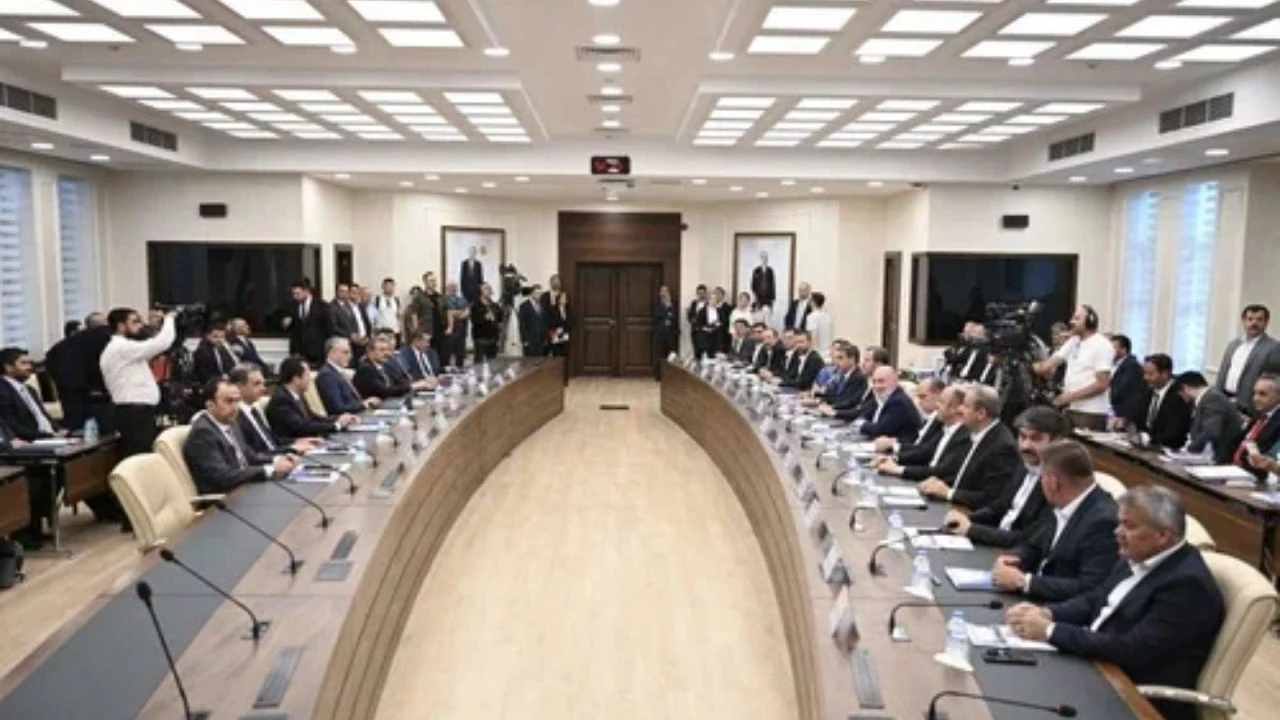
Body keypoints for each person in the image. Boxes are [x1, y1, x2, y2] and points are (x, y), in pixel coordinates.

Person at [1005, 485, 1224, 720]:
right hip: (1097, 664)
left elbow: (1132, 649)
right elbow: (1096, 599)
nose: (1117, 532)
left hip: (1131, 695)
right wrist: (1048, 613)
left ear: (1162, 535)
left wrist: (1050, 630)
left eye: (1129, 526)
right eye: (1120, 523)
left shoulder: (1187, 585)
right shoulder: (1141, 554)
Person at [990, 440, 1119, 601]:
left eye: (1041, 477)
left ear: (1052, 482)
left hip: (1056, 607)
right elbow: (1034, 545)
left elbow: (1089, 588)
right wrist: (1013, 560)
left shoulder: (1104, 522)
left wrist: (1025, 582)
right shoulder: (1063, 500)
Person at [945, 406, 1068, 548]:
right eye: (1022, 437)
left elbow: (1030, 538)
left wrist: (972, 529)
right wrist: (967, 519)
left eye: (1036, 438)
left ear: (1057, 441)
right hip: (996, 540)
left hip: (1011, 551)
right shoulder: (1023, 465)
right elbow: (1000, 506)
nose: (1026, 445)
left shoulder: (1058, 483)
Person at [183, 378, 296, 495]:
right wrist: (268, 470)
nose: (235, 407)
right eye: (229, 401)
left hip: (247, 488)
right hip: (228, 497)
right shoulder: (203, 433)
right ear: (210, 405)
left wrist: (278, 459)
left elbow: (250, 457)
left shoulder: (231, 423)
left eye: (237, 401)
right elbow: (223, 477)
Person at [917, 384, 1019, 509]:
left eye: (965, 405)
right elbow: (966, 477)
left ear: (981, 414)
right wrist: (939, 484)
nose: (959, 409)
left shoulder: (1002, 447)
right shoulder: (976, 433)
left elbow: (991, 497)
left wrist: (949, 493)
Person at [101, 307, 176, 462]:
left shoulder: (125, 348)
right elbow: (161, 343)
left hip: (138, 411)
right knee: (138, 458)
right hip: (134, 412)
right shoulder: (121, 347)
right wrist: (170, 318)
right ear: (121, 326)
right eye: (135, 322)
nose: (140, 326)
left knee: (143, 456)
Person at [1035, 305, 1112, 431]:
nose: (1072, 322)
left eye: (1077, 319)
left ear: (1090, 321)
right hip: (1071, 409)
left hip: (1091, 413)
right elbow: (1048, 365)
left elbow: (1102, 384)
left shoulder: (1101, 345)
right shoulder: (1074, 341)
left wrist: (1070, 397)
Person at [873, 384, 970, 482]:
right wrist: (894, 458)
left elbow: (941, 470)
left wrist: (899, 470)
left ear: (955, 409)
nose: (937, 405)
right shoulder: (945, 429)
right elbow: (924, 451)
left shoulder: (964, 436)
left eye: (941, 402)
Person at [228, 364, 320, 456]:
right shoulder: (234, 417)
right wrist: (290, 449)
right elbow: (254, 454)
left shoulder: (253, 411)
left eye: (263, 384)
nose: (263, 388)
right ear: (239, 387)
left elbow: (271, 441)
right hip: (270, 460)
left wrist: (297, 441)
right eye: (257, 384)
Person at [266, 357, 358, 442]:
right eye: (307, 375)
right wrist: (335, 426)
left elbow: (313, 417)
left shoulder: (297, 395)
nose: (310, 379)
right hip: (297, 444)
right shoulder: (281, 400)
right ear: (296, 379)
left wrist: (339, 419)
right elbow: (301, 426)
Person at [44, 312, 111, 431]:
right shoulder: (104, 338)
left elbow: (50, 361)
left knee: (76, 425)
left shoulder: (66, 343)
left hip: (68, 389)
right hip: (94, 391)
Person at [1215, 304, 1280, 414]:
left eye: (1259, 320)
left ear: (1266, 322)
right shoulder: (1233, 344)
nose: (1254, 323)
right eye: (1250, 319)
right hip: (1224, 400)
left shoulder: (1274, 348)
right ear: (1244, 321)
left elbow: (1273, 381)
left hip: (1249, 406)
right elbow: (1223, 372)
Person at [1178, 371, 1242, 462]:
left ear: (1185, 388)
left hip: (1220, 457)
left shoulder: (1212, 398)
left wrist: (1188, 450)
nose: (1181, 397)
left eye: (1180, 393)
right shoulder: (1208, 397)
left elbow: (1211, 432)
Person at [0, 347, 61, 441]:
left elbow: (44, 417)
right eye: (24, 363)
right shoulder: (2, 390)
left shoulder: (30, 389)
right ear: (8, 367)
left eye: (29, 363)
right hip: (31, 441)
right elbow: (13, 427)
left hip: (51, 438)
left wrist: (60, 431)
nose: (29, 367)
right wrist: (50, 436)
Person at [874, 377, 945, 455]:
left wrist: (894, 447)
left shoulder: (941, 421)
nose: (919, 402)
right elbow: (915, 441)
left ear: (939, 394)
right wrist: (893, 441)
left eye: (923, 397)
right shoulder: (930, 418)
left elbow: (925, 450)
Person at [1231, 373, 1280, 478]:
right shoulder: (1260, 414)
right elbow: (1239, 442)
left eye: (1262, 394)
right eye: (1255, 393)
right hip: (1234, 470)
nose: (1255, 398)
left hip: (1256, 477)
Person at [856, 366, 921, 443]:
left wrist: (861, 424)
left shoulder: (898, 402)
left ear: (894, 381)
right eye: (874, 382)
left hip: (898, 447)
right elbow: (864, 413)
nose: (876, 386)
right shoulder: (883, 398)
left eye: (881, 381)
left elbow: (882, 430)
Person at [1140, 354, 1192, 450]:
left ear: (1165, 374)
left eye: (1150, 374)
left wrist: (1150, 439)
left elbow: (1174, 433)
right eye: (1145, 373)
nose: (1145, 378)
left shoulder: (1179, 396)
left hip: (1168, 448)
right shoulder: (1147, 390)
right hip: (1146, 446)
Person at [315, 337, 379, 414]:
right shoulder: (327, 375)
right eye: (345, 352)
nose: (350, 356)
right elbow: (337, 408)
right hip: (351, 417)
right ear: (332, 353)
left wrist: (366, 402)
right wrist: (364, 404)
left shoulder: (338, 372)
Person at [355, 337, 431, 399]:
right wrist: (413, 386)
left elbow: (399, 382)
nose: (387, 353)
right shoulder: (366, 369)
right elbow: (386, 391)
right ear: (370, 352)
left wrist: (421, 383)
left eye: (388, 350)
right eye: (382, 350)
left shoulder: (385, 365)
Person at [283, 280, 332, 365]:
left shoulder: (322, 306)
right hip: (298, 352)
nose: (295, 296)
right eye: (293, 294)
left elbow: (329, 328)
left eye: (298, 293)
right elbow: (290, 327)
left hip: (317, 352)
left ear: (306, 291)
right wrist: (286, 323)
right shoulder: (292, 306)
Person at [1108, 334, 1147, 430]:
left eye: (1112, 348)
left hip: (1125, 414)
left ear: (1124, 349)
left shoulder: (1132, 365)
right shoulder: (1115, 364)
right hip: (1115, 411)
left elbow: (1122, 389)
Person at [332, 283, 372, 363]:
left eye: (358, 292)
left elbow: (367, 323)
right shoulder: (344, 308)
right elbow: (340, 326)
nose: (356, 294)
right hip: (352, 343)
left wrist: (368, 336)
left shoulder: (360, 306)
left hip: (364, 342)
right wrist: (352, 336)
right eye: (353, 292)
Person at [409, 272, 446, 355]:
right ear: (425, 282)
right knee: (427, 354)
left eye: (435, 280)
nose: (434, 283)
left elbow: (445, 311)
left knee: (441, 355)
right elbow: (414, 314)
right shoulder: (419, 297)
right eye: (431, 281)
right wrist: (417, 331)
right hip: (426, 331)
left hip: (439, 331)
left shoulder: (440, 297)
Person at [470, 283, 504, 361]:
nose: (489, 290)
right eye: (486, 288)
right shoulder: (475, 305)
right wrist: (485, 317)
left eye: (490, 288)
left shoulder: (494, 305)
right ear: (481, 291)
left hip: (493, 338)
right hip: (481, 338)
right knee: (479, 362)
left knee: (493, 362)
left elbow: (500, 320)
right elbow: (475, 321)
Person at [443, 281, 470, 368]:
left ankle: (460, 369)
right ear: (447, 288)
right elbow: (448, 312)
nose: (453, 288)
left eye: (455, 286)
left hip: (461, 330)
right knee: (447, 355)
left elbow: (467, 312)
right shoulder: (443, 299)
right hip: (448, 331)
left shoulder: (462, 299)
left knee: (460, 354)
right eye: (451, 286)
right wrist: (459, 312)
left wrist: (455, 314)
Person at [653, 285, 679, 367]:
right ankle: (659, 371)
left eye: (665, 291)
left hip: (671, 333)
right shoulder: (657, 304)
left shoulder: (673, 304)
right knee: (659, 354)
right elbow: (658, 315)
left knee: (671, 354)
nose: (663, 293)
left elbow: (674, 316)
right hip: (660, 332)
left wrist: (669, 307)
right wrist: (667, 313)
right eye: (662, 291)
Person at [518, 287, 547, 357]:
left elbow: (544, 321)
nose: (539, 295)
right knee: (530, 360)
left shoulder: (543, 305)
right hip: (530, 339)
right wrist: (525, 339)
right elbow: (522, 324)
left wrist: (545, 337)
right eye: (537, 293)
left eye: (540, 293)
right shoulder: (524, 306)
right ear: (532, 294)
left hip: (541, 339)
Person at [685, 284, 709, 355]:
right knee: (696, 350)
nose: (701, 295)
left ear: (705, 293)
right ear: (697, 294)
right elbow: (690, 315)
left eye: (703, 293)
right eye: (699, 293)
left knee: (704, 351)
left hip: (704, 331)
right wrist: (691, 319)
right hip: (694, 329)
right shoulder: (694, 303)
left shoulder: (709, 304)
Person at [547, 291, 570, 358]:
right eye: (563, 298)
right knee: (556, 355)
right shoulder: (553, 309)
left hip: (565, 336)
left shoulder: (568, 310)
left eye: (565, 298)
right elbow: (550, 322)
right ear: (558, 299)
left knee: (564, 355)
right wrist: (556, 330)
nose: (564, 300)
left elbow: (570, 322)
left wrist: (564, 329)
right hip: (555, 335)